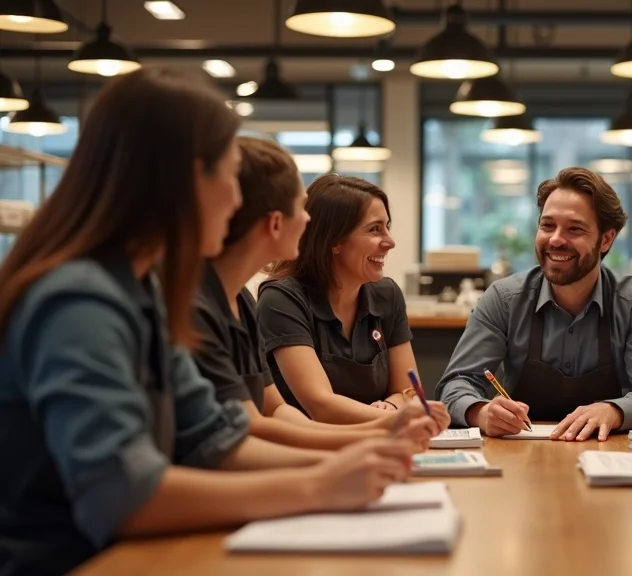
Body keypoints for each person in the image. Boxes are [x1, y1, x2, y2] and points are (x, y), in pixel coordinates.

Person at [0, 68, 415, 576]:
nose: (238, 201)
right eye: (229, 175)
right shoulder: (79, 299)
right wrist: (319, 484)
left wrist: (359, 462)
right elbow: (120, 493)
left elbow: (216, 438)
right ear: (186, 179)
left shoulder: (145, 291)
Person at [191, 136, 450, 451]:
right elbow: (271, 421)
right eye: (299, 208)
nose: (307, 220)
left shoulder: (240, 300)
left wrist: (379, 436)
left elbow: (273, 412)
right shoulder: (221, 303)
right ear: (274, 221)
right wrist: (383, 431)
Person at [436, 167, 632, 442]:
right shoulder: (504, 300)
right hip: (520, 455)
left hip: (605, 451)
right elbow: (455, 384)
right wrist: (481, 412)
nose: (556, 239)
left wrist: (613, 411)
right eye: (547, 225)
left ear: (606, 239)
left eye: (574, 229)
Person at [257, 174, 435, 425]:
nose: (390, 242)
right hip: (310, 445)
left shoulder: (387, 295)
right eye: (374, 229)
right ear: (334, 240)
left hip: (382, 441)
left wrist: (393, 405)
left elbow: (410, 392)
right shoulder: (281, 299)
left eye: (387, 226)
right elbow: (321, 406)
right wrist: (395, 419)